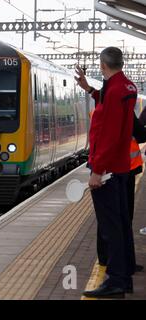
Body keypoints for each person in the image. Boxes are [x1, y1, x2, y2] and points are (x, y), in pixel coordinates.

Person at [75, 47, 137, 299]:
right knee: (121, 224)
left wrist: (97, 172)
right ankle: (125, 275)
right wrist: (88, 88)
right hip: (121, 167)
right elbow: (108, 100)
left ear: (103, 65)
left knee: (111, 227)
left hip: (109, 170)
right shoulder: (125, 87)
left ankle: (116, 281)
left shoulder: (114, 91)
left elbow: (109, 135)